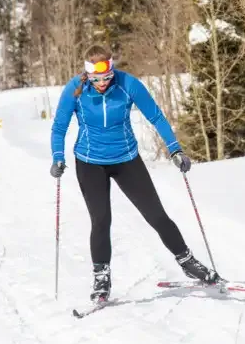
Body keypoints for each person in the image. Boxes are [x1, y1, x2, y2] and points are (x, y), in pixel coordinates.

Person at [50, 44, 221, 301]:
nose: (103, 83)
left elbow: (156, 117)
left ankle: (187, 261)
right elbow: (59, 127)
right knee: (101, 220)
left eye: (107, 77)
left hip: (126, 160)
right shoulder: (75, 89)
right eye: (97, 79)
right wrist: (58, 157)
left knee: (156, 215)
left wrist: (175, 150)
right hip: (89, 162)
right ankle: (101, 278)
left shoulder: (127, 84)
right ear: (88, 75)